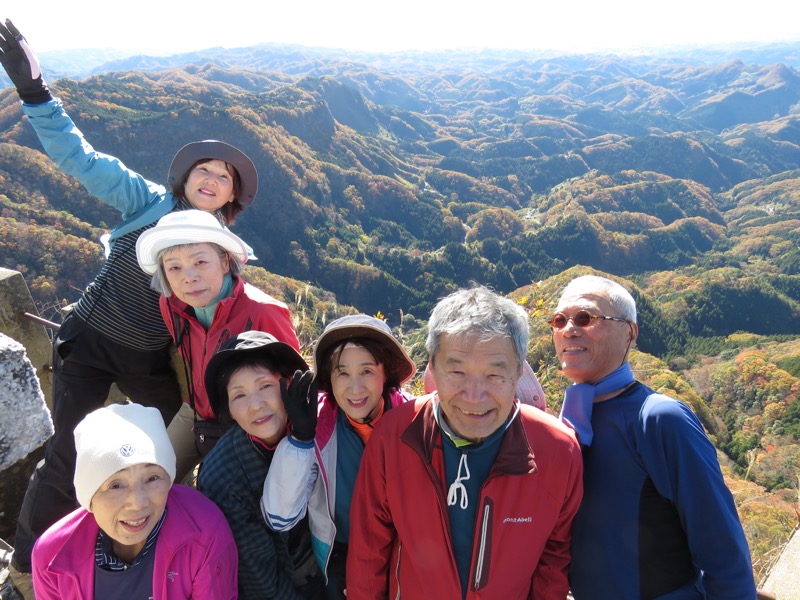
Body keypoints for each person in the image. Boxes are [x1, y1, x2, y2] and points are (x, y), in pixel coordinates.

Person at [0, 19, 260, 595]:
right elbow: (79, 157)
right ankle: (28, 562)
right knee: (69, 453)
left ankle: (154, 548)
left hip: (150, 362)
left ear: (232, 199)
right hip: (90, 340)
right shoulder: (144, 202)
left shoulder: (226, 259)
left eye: (225, 177)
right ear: (184, 179)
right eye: (205, 170)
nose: (213, 178)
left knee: (166, 453)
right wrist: (36, 92)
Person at [345, 286, 584, 599]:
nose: (474, 396)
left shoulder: (556, 450)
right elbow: (368, 552)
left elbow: (554, 560)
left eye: (494, 375)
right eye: (456, 371)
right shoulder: (397, 435)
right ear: (432, 365)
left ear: (518, 370)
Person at [553, 274, 756, 599]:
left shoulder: (659, 418)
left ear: (630, 333)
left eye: (585, 317)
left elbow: (721, 543)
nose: (569, 329)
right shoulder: (570, 421)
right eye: (559, 320)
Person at [136, 209, 300, 482]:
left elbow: (293, 379)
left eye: (200, 262)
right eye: (174, 267)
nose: (188, 277)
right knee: (152, 478)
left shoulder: (263, 312)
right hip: (196, 410)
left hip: (246, 418)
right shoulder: (172, 305)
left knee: (218, 491)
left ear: (225, 261)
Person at [262, 314, 417, 598]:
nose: (355, 388)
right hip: (340, 555)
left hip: (405, 551)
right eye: (342, 373)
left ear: (387, 375)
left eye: (367, 371)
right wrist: (300, 439)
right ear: (329, 380)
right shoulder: (320, 423)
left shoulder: (415, 422)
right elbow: (279, 516)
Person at [31, 402, 238, 599]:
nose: (138, 503)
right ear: (89, 498)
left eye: (152, 478)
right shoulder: (51, 556)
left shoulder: (204, 529)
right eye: (115, 485)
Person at [197, 330, 323, 599]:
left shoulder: (321, 424)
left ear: (288, 385)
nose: (256, 405)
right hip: (291, 575)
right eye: (239, 395)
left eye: (265, 386)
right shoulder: (224, 478)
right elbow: (261, 580)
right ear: (229, 410)